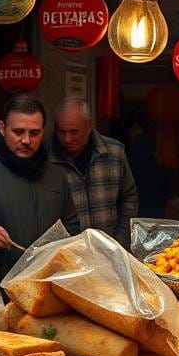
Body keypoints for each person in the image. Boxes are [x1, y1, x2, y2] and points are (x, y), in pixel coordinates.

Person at [0, 95, 79, 277]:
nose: (26, 140)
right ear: (2, 128)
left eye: (34, 133)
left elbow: (72, 224)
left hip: (44, 288)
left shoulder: (55, 175)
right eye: (18, 132)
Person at [48, 97, 138, 249]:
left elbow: (129, 197)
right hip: (68, 254)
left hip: (111, 248)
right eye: (61, 132)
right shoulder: (45, 158)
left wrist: (120, 241)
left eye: (74, 132)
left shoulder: (114, 152)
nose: (67, 139)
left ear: (89, 126)